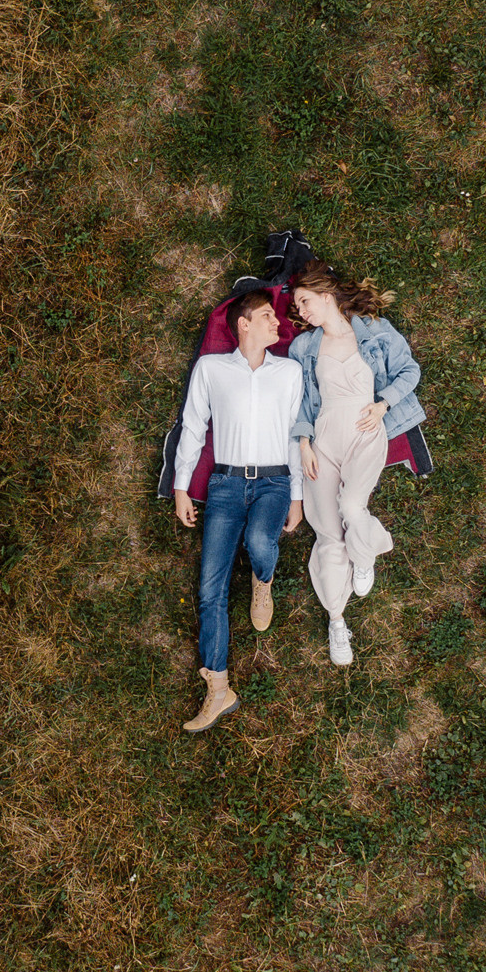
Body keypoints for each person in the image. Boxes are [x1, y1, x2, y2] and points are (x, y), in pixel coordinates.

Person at [172, 288, 304, 732]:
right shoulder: (211, 369)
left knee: (260, 541)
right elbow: (193, 427)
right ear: (243, 323)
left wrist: (298, 496)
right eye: (268, 316)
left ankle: (262, 579)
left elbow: (295, 435)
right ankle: (218, 688)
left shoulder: (290, 372)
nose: (278, 323)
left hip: (274, 481)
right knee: (210, 592)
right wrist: (181, 486)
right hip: (225, 486)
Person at [287, 262, 424, 665]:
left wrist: (383, 405)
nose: (302, 312)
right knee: (328, 532)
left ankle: (366, 556)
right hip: (324, 435)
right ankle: (336, 619)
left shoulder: (375, 330)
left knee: (352, 507)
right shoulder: (303, 348)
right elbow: (299, 403)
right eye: (298, 306)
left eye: (305, 302)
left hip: (366, 430)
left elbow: (409, 371)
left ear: (326, 295)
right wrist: (304, 441)